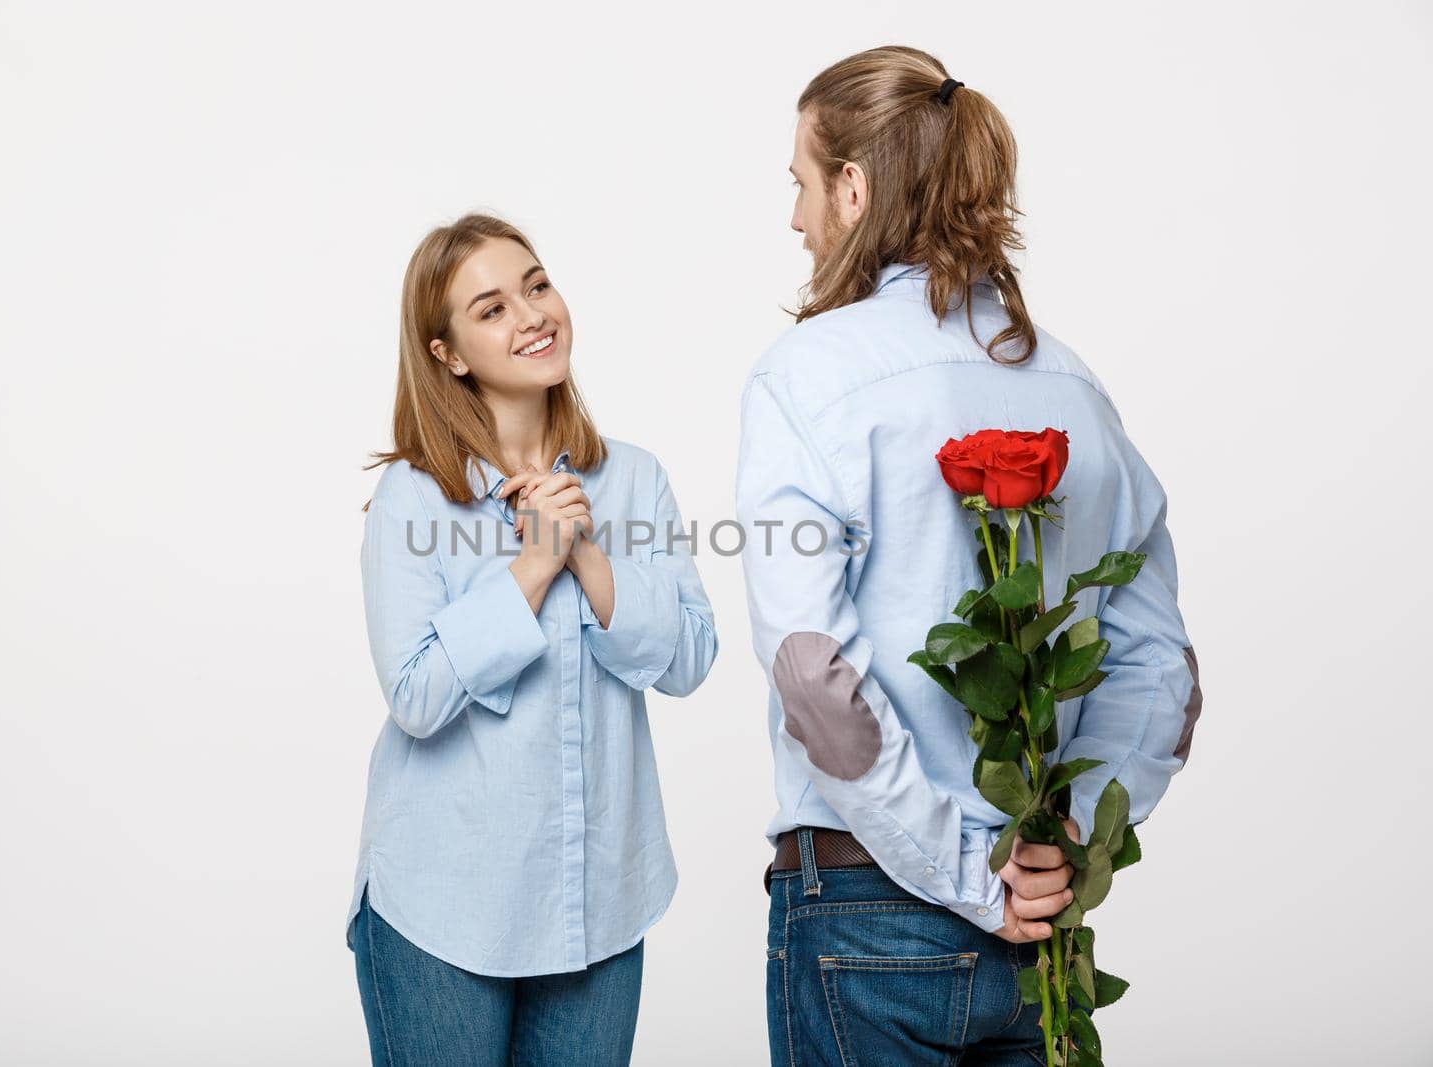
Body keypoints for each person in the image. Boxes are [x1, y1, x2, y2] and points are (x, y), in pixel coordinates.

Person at [736, 46, 1203, 1064]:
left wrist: (961, 869)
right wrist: (1062, 846)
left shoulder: (805, 372)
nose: (795, 219)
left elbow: (812, 676)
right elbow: (1164, 676)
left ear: (852, 188)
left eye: (801, 185)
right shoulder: (1074, 387)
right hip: (1040, 932)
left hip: (867, 911)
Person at [347, 213, 719, 1066]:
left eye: (537, 285)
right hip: (443, 909)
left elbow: (692, 658)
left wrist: (588, 556)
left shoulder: (634, 477)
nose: (530, 315)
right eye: (491, 308)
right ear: (446, 353)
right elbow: (416, 698)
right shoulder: (413, 496)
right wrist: (533, 566)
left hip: (601, 900)